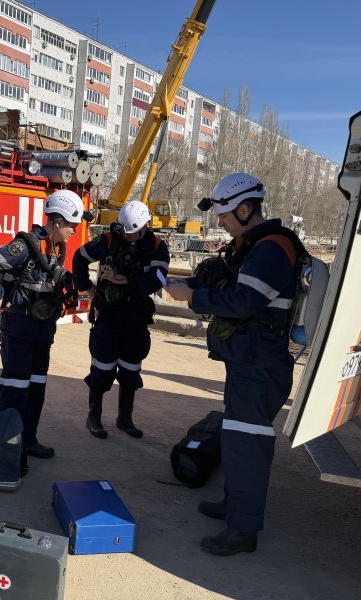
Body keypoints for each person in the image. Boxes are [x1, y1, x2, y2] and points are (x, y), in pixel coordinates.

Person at [166, 173, 299, 556]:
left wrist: (192, 300)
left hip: (260, 363)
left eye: (224, 215)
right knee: (237, 438)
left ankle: (243, 531)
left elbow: (243, 302)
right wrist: (193, 287)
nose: (220, 222)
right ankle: (234, 505)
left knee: (247, 446)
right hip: (248, 359)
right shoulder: (253, 246)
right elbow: (231, 288)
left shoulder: (272, 248)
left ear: (244, 209)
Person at [0, 189, 85, 472]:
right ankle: (8, 449)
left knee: (36, 389)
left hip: (42, 332)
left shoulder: (55, 249)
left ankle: (28, 440)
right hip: (20, 330)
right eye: (72, 225)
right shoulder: (26, 246)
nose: (75, 231)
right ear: (57, 221)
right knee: (15, 390)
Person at [72, 200, 169, 439]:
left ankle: (124, 419)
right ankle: (93, 417)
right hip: (109, 312)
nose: (127, 237)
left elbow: (158, 280)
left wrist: (123, 281)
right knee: (102, 366)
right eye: (125, 232)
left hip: (136, 315)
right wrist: (87, 288)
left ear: (145, 226)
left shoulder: (157, 246)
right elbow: (79, 257)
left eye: (132, 233)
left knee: (130, 367)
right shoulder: (108, 240)